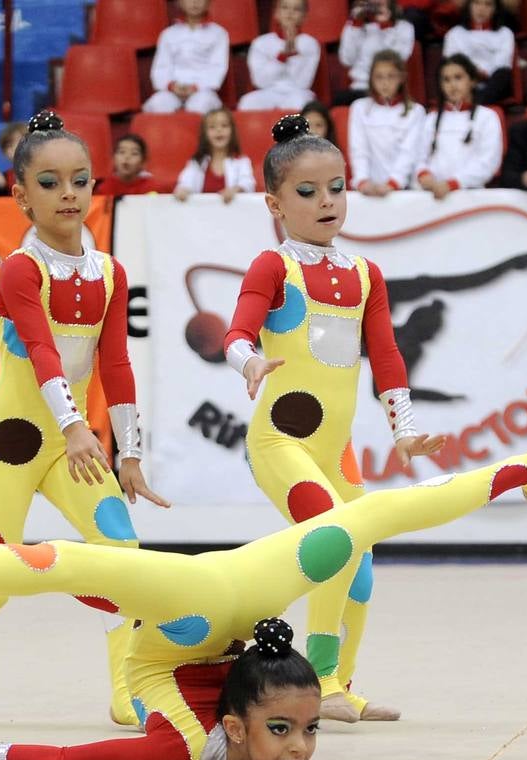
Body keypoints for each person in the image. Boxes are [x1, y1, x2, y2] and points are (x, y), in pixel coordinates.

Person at [0, 448, 527, 760]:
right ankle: (520, 470)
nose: (301, 749)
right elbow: (66, 759)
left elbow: (69, 757)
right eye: (294, 729)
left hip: (225, 599)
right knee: (63, 566)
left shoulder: (201, 736)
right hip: (219, 598)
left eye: (304, 730)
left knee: (66, 567)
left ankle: (524, 470)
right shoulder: (197, 741)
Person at [0, 109, 169, 729]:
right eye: (49, 183)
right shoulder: (22, 268)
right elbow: (42, 351)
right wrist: (74, 426)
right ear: (20, 196)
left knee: (125, 555)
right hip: (11, 443)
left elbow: (116, 364)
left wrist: (128, 453)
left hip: (73, 444)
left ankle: (126, 690)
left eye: (80, 180)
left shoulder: (110, 272)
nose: (68, 194)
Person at [224, 114, 448, 722]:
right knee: (334, 540)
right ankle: (320, 682)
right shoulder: (273, 267)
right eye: (308, 191)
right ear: (274, 203)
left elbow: (388, 355)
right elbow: (237, 333)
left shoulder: (364, 274)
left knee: (361, 566)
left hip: (334, 450)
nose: (327, 201)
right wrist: (249, 361)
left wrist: (404, 430)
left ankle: (342, 685)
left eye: (336, 187)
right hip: (280, 443)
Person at [414, 54, 502, 199]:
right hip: (432, 196)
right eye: (446, 79)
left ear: (472, 81)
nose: (452, 85)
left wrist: (452, 184)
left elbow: (488, 162)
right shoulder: (430, 119)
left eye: (458, 77)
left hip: (471, 196)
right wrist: (424, 175)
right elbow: (419, 157)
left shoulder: (487, 117)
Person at [349, 50, 426, 196]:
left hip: (403, 190)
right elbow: (359, 149)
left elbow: (408, 152)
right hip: (368, 190)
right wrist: (363, 181)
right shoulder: (360, 108)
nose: (385, 83)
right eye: (379, 77)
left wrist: (393, 183)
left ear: (401, 78)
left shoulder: (415, 111)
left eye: (391, 76)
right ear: (371, 79)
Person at [142, 0, 228, 115]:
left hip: (203, 90)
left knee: (201, 105)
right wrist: (171, 86)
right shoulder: (168, 34)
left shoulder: (218, 33)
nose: (195, 2)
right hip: (173, 89)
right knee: (157, 104)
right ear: (180, 3)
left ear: (208, 3)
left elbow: (217, 67)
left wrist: (196, 87)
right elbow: (161, 67)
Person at [238, 0, 321, 112]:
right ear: (276, 13)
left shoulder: (310, 43)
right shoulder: (260, 42)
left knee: (301, 103)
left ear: (304, 17)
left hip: (298, 92)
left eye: (296, 9)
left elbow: (303, 83)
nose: (290, 13)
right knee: (248, 103)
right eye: (285, 8)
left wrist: (293, 53)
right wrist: (282, 57)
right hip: (268, 91)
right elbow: (260, 81)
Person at [337, 1, 415, 105]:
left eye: (380, 3)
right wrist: (356, 26)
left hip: (389, 88)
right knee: (339, 102)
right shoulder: (354, 25)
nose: (376, 4)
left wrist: (386, 27)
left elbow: (398, 59)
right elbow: (346, 60)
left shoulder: (404, 27)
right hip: (360, 87)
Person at [442, 0, 515, 105]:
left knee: (503, 74)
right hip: (465, 82)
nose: (481, 9)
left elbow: (502, 63)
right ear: (469, 6)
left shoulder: (505, 33)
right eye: (476, 3)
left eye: (488, 4)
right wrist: (473, 74)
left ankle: (476, 104)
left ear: (495, 9)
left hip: (493, 83)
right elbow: (452, 63)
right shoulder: (455, 33)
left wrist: (483, 74)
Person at [174, 108, 255, 202]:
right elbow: (185, 183)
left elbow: (248, 183)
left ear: (232, 131)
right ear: (205, 134)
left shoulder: (241, 161)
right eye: (212, 127)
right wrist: (183, 191)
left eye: (224, 125)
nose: (219, 130)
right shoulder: (197, 163)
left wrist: (235, 190)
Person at [94, 134, 167, 196]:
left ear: (143, 162)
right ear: (113, 158)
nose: (127, 157)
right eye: (122, 152)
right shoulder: (104, 188)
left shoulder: (152, 187)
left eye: (134, 153)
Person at [0, 120, 25, 196]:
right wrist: (3, 186)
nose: (13, 149)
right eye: (8, 146)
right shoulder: (6, 177)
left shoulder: (41, 171)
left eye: (19, 142)